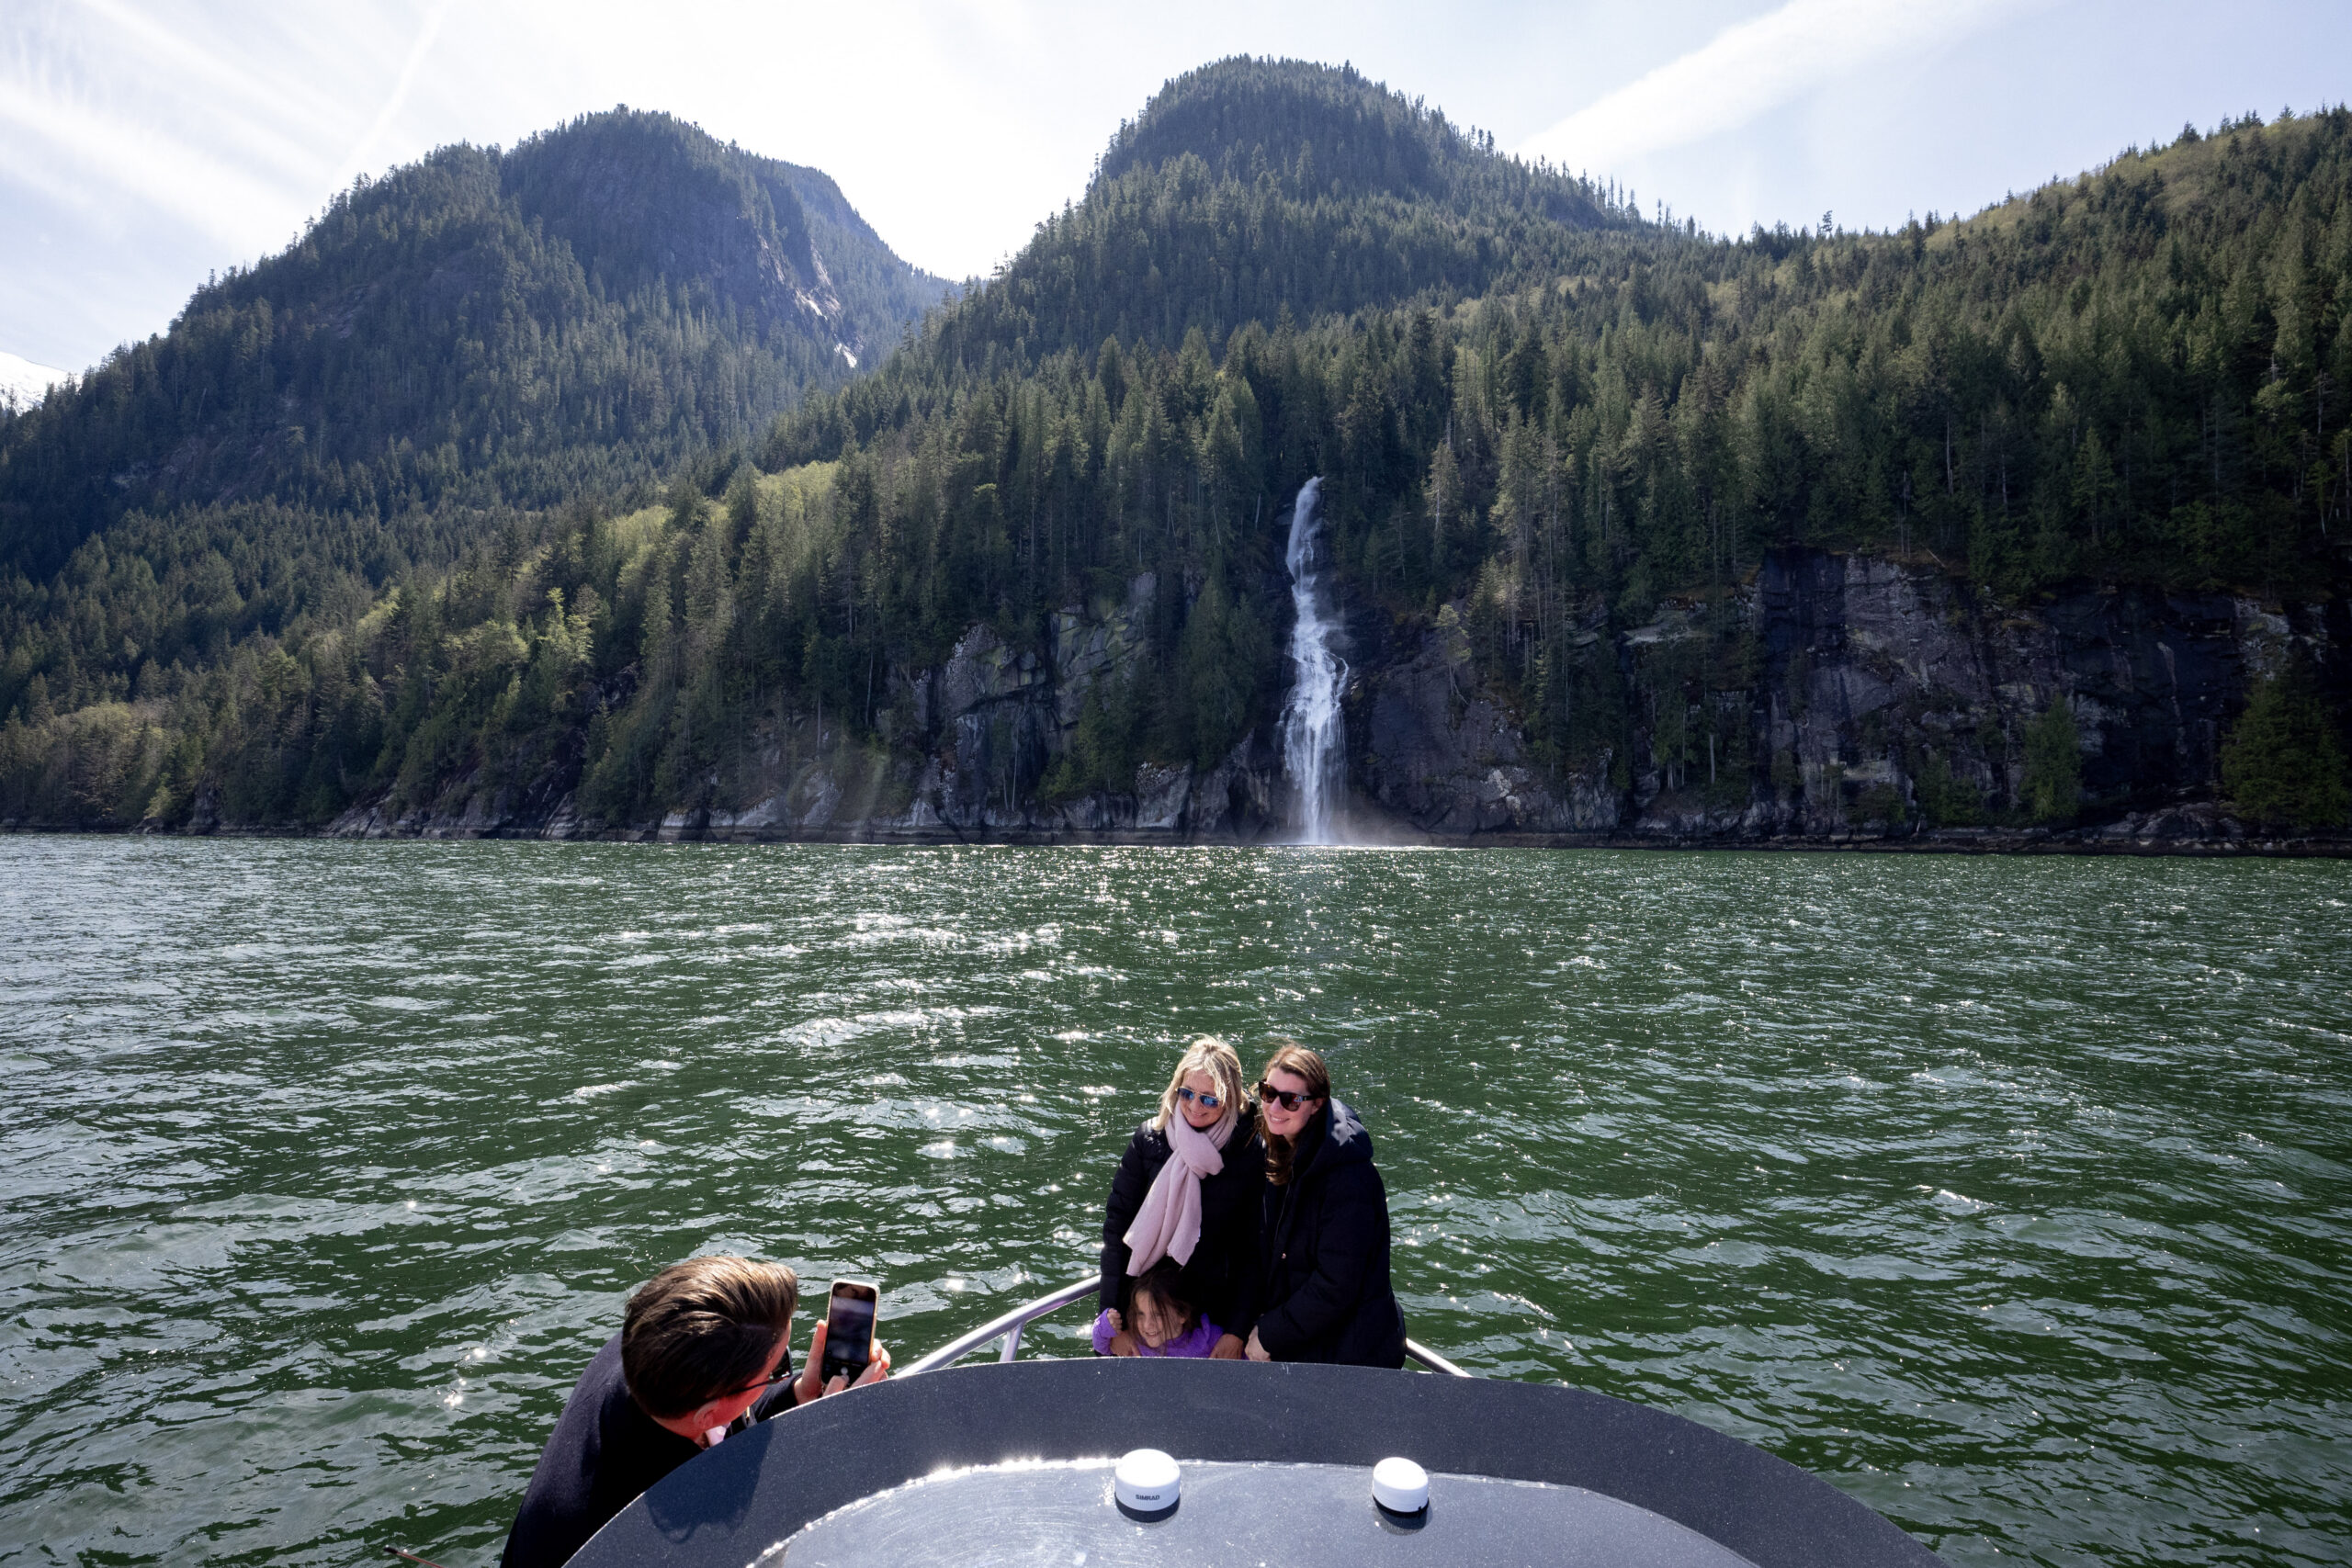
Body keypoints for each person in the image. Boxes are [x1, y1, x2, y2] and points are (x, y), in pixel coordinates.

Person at [501, 1255, 888, 1568]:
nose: (779, 1375)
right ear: (706, 1415)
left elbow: (733, 1422)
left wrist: (799, 1394)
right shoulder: (672, 1518)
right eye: (774, 1371)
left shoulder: (652, 1348)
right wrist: (834, 1431)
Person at [1098, 1036, 1264, 1360]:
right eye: (1186, 1093)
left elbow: (1254, 1250)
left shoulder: (1249, 1151)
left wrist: (1236, 1330)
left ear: (1230, 1099)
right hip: (1147, 1316)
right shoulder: (1149, 1140)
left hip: (1215, 1319)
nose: (1194, 1106)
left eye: (1209, 1099)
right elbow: (1117, 1231)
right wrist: (1113, 1319)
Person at [1244, 1043, 1408, 1368]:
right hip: (1309, 1339)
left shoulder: (1349, 1179)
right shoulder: (1280, 1150)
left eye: (1290, 1100)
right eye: (1268, 1092)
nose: (1275, 1107)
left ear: (1316, 1105)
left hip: (1350, 1358)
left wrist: (1270, 1333)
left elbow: (1336, 1285)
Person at [1091, 1259, 1225, 1358]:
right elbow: (1101, 1346)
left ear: (1182, 1314)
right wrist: (1105, 1323)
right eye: (1140, 1314)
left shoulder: (1207, 1339)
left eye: (1158, 1315)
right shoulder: (1134, 1341)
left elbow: (1239, 1358)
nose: (1147, 1324)